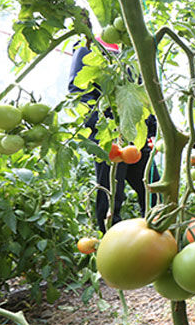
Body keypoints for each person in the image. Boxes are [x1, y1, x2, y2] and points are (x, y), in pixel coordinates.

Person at [68, 38, 160, 233]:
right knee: (111, 195)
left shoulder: (133, 52)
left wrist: (152, 130)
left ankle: (156, 236)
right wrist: (102, 127)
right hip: (109, 136)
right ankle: (110, 240)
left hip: (137, 136)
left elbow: (144, 96)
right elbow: (80, 93)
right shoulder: (89, 47)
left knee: (153, 190)